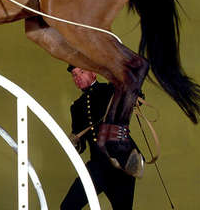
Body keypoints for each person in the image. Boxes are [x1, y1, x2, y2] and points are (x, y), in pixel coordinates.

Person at [61, 66, 142, 210]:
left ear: (93, 73)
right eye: (74, 75)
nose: (77, 77)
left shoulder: (110, 90)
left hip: (122, 163)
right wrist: (74, 143)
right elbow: (81, 141)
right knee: (68, 206)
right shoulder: (76, 107)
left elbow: (134, 94)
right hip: (98, 165)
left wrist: (134, 94)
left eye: (82, 72)